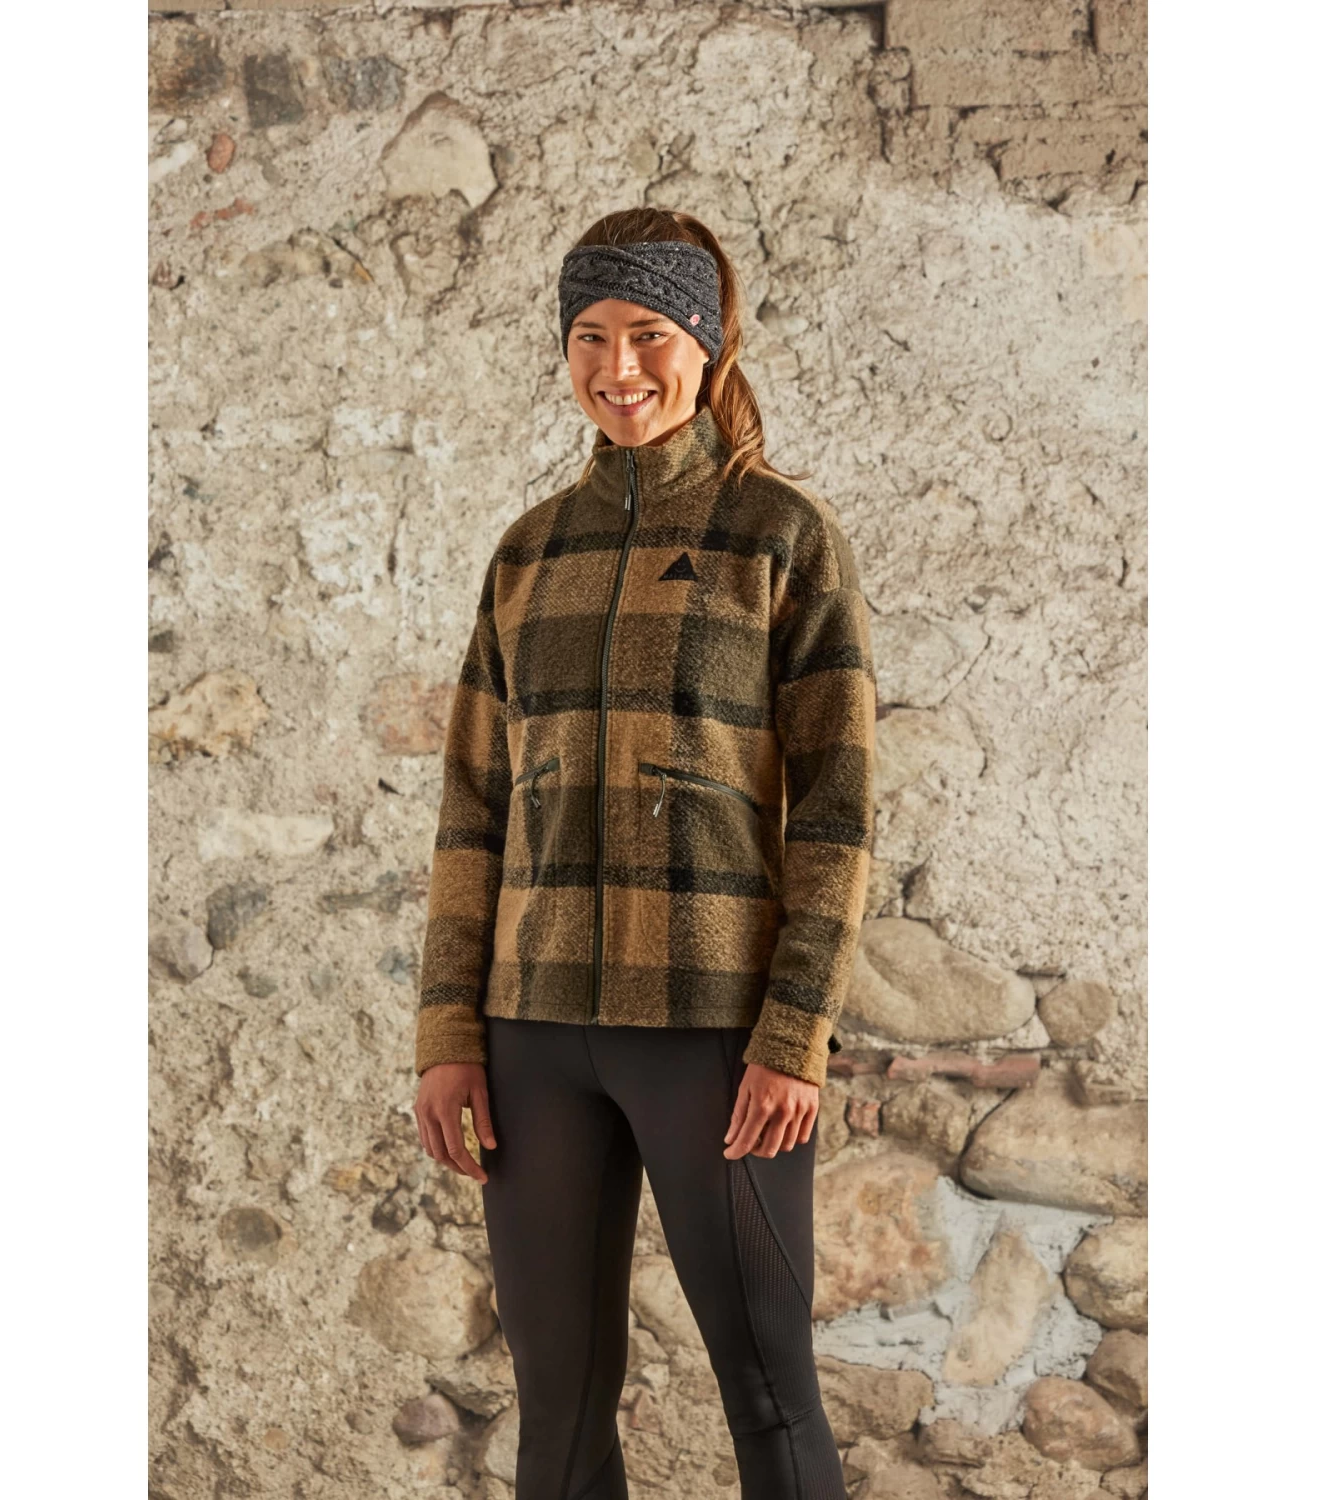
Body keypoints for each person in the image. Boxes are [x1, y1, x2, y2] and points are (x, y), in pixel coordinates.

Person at [411, 206, 876, 1500]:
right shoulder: (528, 552)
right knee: (557, 1415)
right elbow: (471, 809)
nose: (619, 368)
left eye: (650, 334)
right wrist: (448, 1030)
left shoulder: (780, 538)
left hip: (713, 1030)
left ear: (708, 346)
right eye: (591, 337)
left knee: (769, 1392)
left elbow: (838, 812)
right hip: (533, 1031)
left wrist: (796, 1033)